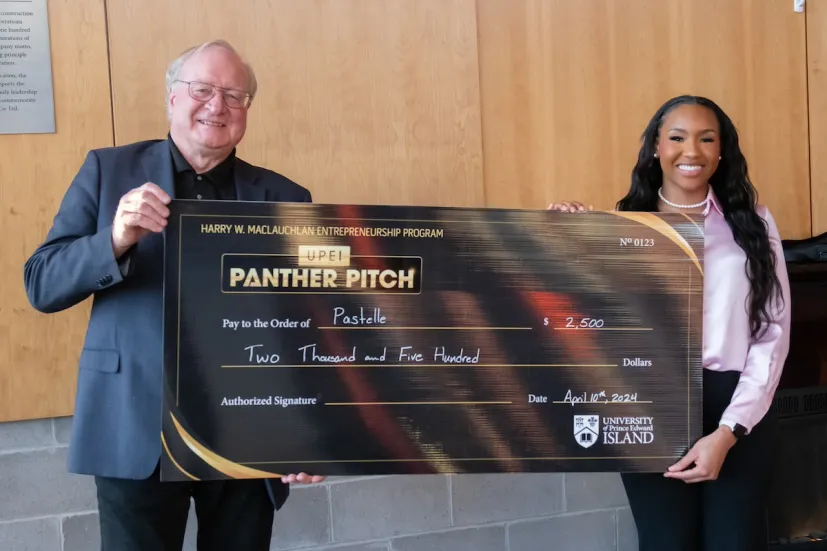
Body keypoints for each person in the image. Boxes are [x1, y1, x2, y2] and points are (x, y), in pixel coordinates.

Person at [23, 39, 324, 551]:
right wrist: (114, 239)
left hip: (246, 435)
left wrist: (305, 428)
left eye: (234, 94)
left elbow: (305, 327)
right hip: (133, 427)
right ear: (171, 98)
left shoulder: (287, 199)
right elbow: (42, 284)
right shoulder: (107, 171)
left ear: (247, 110)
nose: (217, 105)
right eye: (202, 89)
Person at [548, 95, 791, 551]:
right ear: (656, 147)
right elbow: (591, 322)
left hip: (737, 404)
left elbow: (772, 333)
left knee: (734, 543)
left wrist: (728, 431)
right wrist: (567, 239)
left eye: (706, 138)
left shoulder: (754, 226)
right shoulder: (623, 228)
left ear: (722, 151)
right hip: (646, 400)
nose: (691, 151)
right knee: (665, 542)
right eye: (677, 137)